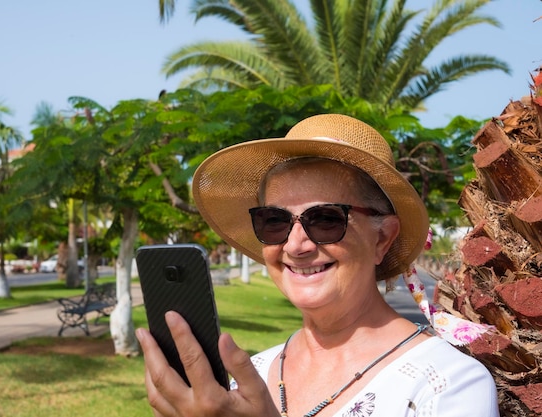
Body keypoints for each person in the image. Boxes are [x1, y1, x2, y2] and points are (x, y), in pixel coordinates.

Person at [135, 114, 499, 417]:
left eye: (325, 219)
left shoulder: (448, 385)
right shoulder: (245, 382)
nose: (295, 245)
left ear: (383, 238)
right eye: (274, 221)